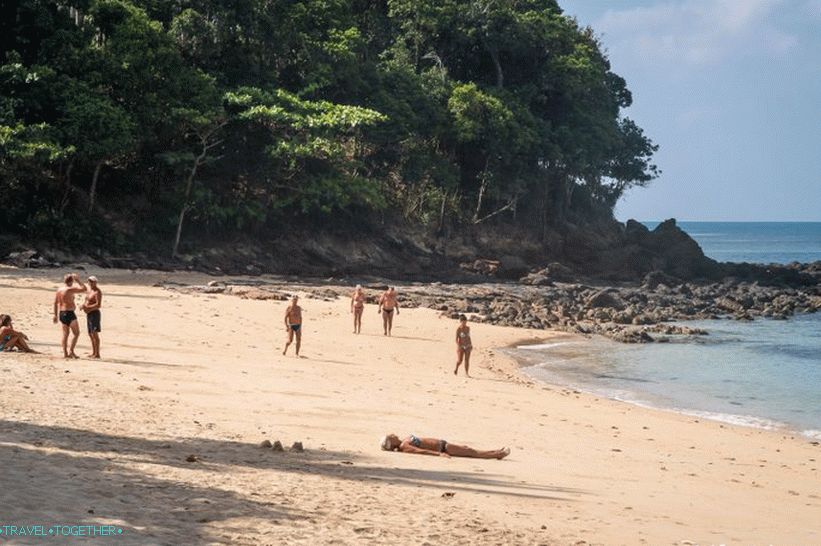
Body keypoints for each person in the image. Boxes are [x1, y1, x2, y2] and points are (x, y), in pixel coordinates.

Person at [380, 433, 510, 459]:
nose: (392, 434)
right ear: (391, 443)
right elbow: (420, 451)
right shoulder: (404, 446)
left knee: (467, 449)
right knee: (470, 452)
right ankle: (499, 454)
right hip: (442, 448)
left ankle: (497, 452)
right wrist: (439, 454)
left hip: (442, 444)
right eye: (390, 437)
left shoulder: (404, 441)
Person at [53, 273, 86, 359]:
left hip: (62, 313)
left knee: (65, 334)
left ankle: (65, 353)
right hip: (69, 313)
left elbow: (56, 303)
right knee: (76, 333)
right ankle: (71, 351)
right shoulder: (69, 289)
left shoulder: (59, 290)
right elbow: (84, 289)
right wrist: (78, 280)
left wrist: (55, 315)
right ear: (71, 281)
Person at [81, 275, 103, 359]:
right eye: (89, 281)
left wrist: (88, 307)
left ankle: (97, 354)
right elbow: (87, 300)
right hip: (89, 314)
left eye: (92, 281)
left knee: (95, 334)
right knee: (90, 334)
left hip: (94, 314)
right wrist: (83, 305)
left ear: (96, 282)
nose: (90, 283)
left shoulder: (98, 292)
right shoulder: (89, 291)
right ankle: (93, 352)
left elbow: (98, 305)